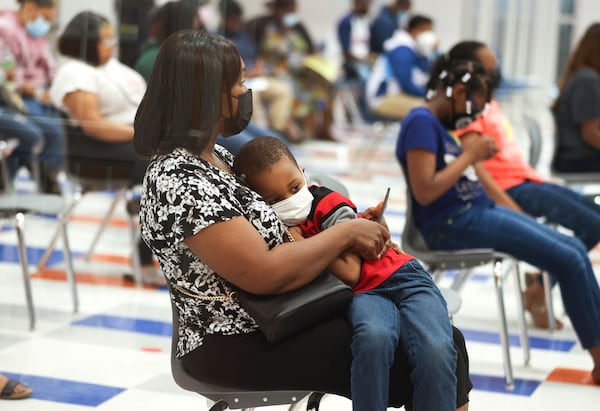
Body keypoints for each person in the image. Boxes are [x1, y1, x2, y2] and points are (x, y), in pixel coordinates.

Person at [134, 30, 472, 410]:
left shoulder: (219, 159)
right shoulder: (179, 179)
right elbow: (263, 271)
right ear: (208, 95)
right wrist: (346, 234)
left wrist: (357, 226)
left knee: (438, 341)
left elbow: (290, 226)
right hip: (236, 340)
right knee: (426, 355)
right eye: (240, 82)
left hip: (283, 313)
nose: (247, 91)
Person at [395, 56, 600, 384]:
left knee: (574, 247)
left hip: (476, 212)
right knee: (567, 259)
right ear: (458, 91)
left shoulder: (438, 126)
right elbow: (426, 192)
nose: (476, 112)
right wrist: (470, 156)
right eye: (476, 103)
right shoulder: (420, 121)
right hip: (451, 224)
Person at [233, 136, 462, 411]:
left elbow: (350, 272)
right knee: (372, 341)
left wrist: (304, 245)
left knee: (435, 348)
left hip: (403, 278)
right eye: (275, 200)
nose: (290, 200)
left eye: (295, 187)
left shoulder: (328, 202)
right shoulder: (274, 227)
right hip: (362, 295)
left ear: (303, 174)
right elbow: (351, 281)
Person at [449, 40, 600, 329]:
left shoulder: (486, 100)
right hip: (513, 189)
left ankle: (541, 282)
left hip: (528, 181)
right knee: (593, 226)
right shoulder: (468, 106)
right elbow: (478, 171)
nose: (495, 72)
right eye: (489, 67)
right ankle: (542, 287)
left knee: (594, 218)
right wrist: (512, 211)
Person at [49, 11, 163, 286]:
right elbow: (93, 126)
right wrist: (140, 134)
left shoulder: (108, 68)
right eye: (106, 39)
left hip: (126, 144)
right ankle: (145, 251)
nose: (111, 44)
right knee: (158, 167)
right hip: (92, 152)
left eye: (113, 39)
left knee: (172, 162)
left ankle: (151, 213)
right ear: (87, 42)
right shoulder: (74, 72)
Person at [247, 0, 337, 140]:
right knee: (288, 85)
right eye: (289, 9)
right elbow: (255, 52)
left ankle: (323, 130)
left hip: (301, 72)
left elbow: (311, 50)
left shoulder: (297, 27)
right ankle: (287, 128)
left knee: (326, 86)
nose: (292, 14)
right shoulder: (262, 26)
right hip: (274, 71)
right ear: (278, 8)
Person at [0, 0, 65, 192]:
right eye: (44, 18)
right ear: (30, 8)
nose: (45, 25)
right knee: (45, 131)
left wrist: (56, 87)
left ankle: (47, 177)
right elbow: (11, 78)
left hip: (38, 92)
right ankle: (43, 179)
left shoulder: (36, 36)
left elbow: (51, 66)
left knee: (57, 124)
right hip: (18, 97)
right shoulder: (6, 29)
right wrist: (37, 92)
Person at [217, 0, 300, 143]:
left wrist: (259, 67)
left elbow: (258, 55)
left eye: (238, 19)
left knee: (283, 90)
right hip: (241, 78)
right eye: (233, 20)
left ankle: (277, 130)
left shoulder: (243, 35)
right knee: (250, 95)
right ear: (225, 19)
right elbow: (225, 68)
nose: (237, 22)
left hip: (258, 76)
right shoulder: (219, 38)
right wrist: (246, 74)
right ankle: (261, 138)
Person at [365, 15, 438, 120]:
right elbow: (406, 84)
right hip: (384, 97)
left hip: (399, 95)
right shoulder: (401, 50)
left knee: (435, 106)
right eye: (429, 31)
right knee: (430, 110)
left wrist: (433, 51)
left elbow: (427, 72)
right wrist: (430, 96)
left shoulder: (416, 48)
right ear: (417, 31)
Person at [552, 22, 600, 172]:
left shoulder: (582, 75)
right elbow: (590, 134)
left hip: (575, 155)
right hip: (578, 159)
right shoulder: (587, 80)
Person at [336, 0, 375, 82]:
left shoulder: (366, 21)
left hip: (364, 65)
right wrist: (364, 60)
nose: (366, 6)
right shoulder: (346, 22)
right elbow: (346, 53)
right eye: (364, 3)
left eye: (368, 3)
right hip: (352, 67)